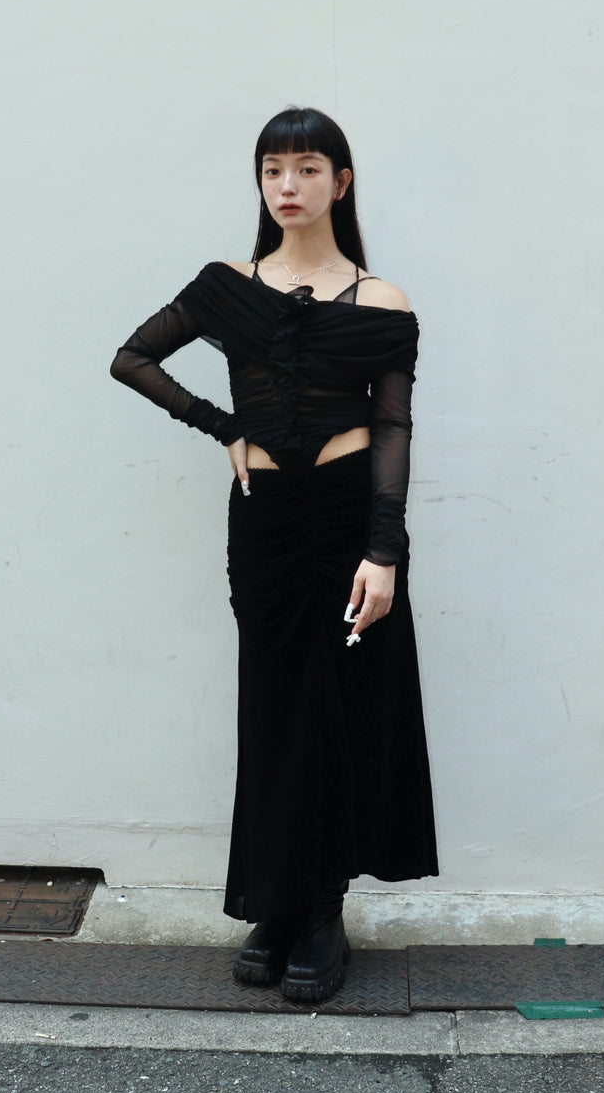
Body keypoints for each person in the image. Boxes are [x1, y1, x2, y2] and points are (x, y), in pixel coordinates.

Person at [111, 106, 438, 1002]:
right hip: (265, 523)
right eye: (272, 170)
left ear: (341, 181)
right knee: (274, 704)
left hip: (350, 521)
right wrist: (223, 427)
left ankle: (323, 908)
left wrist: (385, 550)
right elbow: (132, 358)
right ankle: (277, 902)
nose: (288, 186)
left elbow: (393, 429)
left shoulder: (384, 303)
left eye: (306, 168)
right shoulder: (226, 286)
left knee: (343, 708)